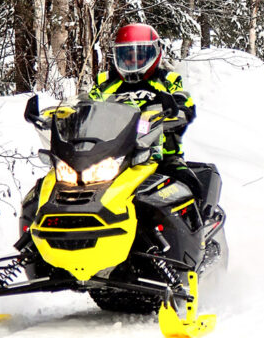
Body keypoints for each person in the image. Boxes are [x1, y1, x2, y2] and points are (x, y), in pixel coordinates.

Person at [87, 23, 205, 205]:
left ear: (154, 53)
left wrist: (178, 109)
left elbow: (184, 101)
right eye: (128, 55)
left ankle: (199, 225)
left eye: (140, 55)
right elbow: (86, 106)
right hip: (110, 156)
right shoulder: (105, 82)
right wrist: (66, 116)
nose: (133, 61)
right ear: (118, 56)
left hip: (161, 155)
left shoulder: (167, 80)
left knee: (188, 183)